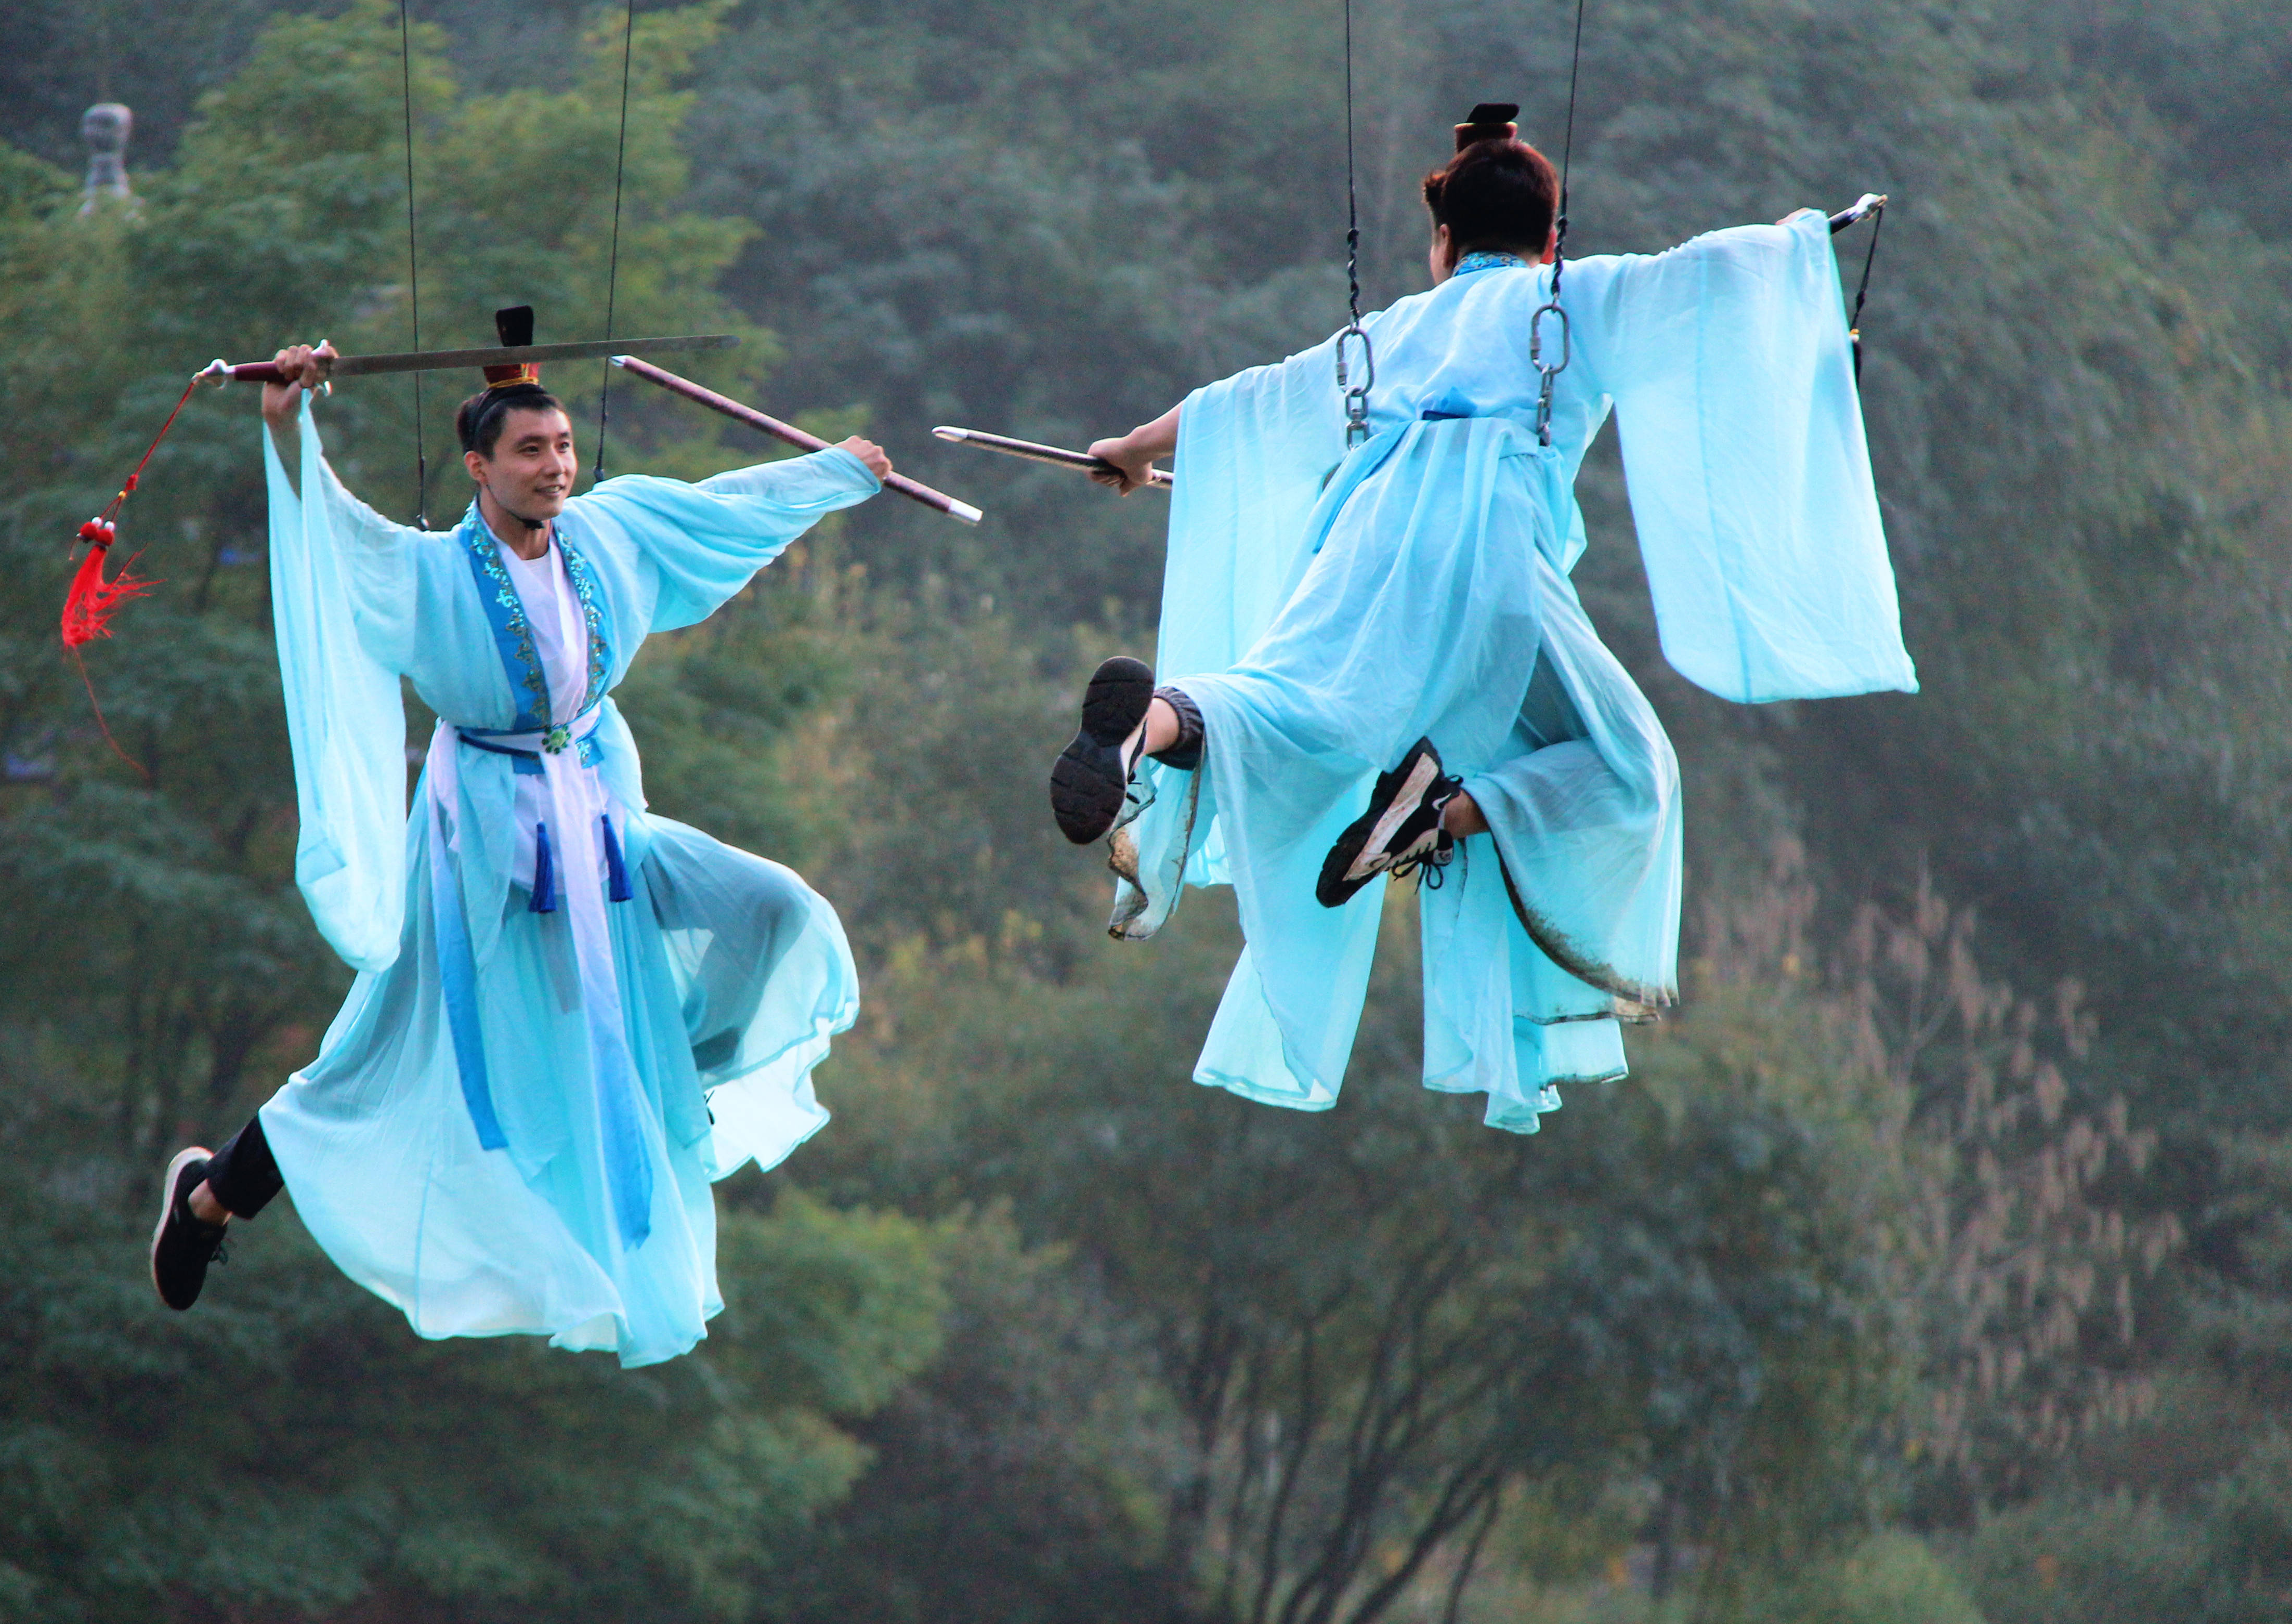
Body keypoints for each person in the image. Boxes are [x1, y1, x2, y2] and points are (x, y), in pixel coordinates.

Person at [1049, 104, 1915, 1133]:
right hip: (1498, 566)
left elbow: (1252, 403)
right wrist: (1816, 237)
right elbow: (1707, 277)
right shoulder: (1574, 296)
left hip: (1363, 555)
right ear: (1551, 240)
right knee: (1634, 771)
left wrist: (1137, 447)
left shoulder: (1392, 336)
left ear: (1442, 246)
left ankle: (1147, 729)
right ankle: (1441, 812)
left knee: (1294, 708)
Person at [148, 343, 895, 1366]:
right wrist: (286, 424)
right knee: (375, 1055)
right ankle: (207, 1200)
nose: (555, 466)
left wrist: (834, 472)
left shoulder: (611, 534)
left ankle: (668, 1059)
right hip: (481, 852)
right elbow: (327, 536)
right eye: (531, 450)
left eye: (563, 446)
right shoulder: (430, 574)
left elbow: (723, 507)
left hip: (603, 821)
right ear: (478, 467)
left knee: (775, 908)